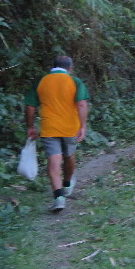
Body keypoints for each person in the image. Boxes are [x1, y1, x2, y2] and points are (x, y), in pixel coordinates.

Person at [24, 55, 89, 212]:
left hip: (49, 128)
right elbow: (81, 104)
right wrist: (83, 126)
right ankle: (66, 184)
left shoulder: (41, 81)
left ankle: (58, 198)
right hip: (70, 128)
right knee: (69, 157)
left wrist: (30, 126)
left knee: (54, 162)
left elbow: (30, 106)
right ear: (70, 68)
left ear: (53, 66)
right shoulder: (75, 82)